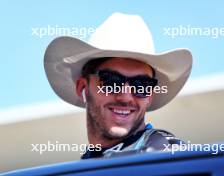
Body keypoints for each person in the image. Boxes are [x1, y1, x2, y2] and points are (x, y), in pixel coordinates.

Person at [44, 13, 192, 159]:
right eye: (112, 81)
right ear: (83, 88)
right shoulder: (87, 163)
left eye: (141, 85)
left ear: (150, 95)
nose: (125, 97)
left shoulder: (167, 154)